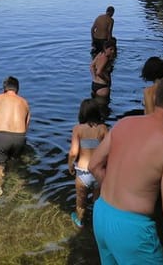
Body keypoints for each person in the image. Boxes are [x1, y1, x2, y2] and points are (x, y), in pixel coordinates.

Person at [89, 75, 163, 265]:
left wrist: (120, 193)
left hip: (101, 214)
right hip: (132, 230)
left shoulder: (124, 123)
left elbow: (94, 165)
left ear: (156, 98)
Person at [67, 98, 109, 228]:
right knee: (97, 201)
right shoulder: (103, 129)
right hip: (98, 171)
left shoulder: (78, 129)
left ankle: (79, 221)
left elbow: (73, 152)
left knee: (81, 201)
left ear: (82, 113)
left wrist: (70, 165)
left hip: (82, 172)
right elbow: (108, 150)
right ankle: (97, 225)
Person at [0, 76, 31, 197]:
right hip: (20, 137)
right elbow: (26, 126)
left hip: (2, 137)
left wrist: (1, 133)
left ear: (4, 89)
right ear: (17, 89)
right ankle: (17, 186)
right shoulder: (24, 102)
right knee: (14, 162)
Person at [90, 38, 116, 104]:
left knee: (95, 106)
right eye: (110, 49)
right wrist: (107, 79)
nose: (113, 51)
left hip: (95, 84)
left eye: (114, 49)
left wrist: (94, 77)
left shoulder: (100, 54)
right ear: (105, 49)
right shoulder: (106, 58)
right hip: (103, 86)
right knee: (104, 108)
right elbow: (99, 72)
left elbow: (92, 66)